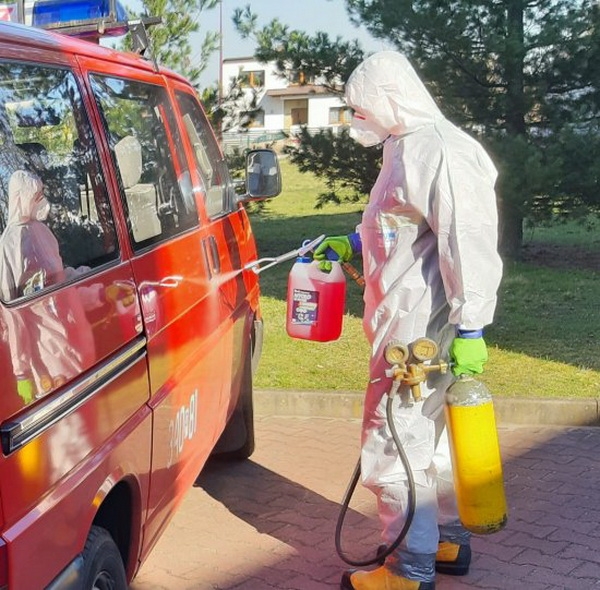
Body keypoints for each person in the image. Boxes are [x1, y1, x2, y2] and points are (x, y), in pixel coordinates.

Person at [313, 52, 503, 590]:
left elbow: (466, 239)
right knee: (432, 437)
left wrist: (472, 326)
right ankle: (443, 539)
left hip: (419, 331)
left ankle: (406, 570)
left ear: (391, 99)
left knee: (394, 440)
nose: (358, 119)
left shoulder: (441, 149)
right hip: (407, 319)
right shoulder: (404, 146)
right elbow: (400, 222)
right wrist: (353, 241)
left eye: (362, 108)